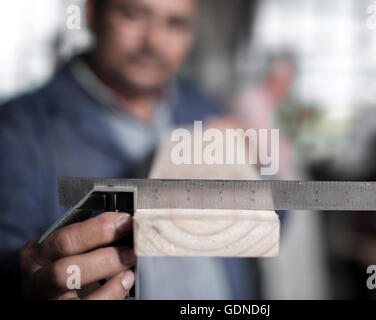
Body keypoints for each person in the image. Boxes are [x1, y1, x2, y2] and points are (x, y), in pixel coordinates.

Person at [0, 0, 260, 300]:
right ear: (93, 13)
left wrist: (252, 171)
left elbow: (276, 217)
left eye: (175, 23)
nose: (154, 42)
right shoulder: (17, 130)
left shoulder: (203, 106)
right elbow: (11, 263)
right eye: (134, 15)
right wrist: (27, 284)